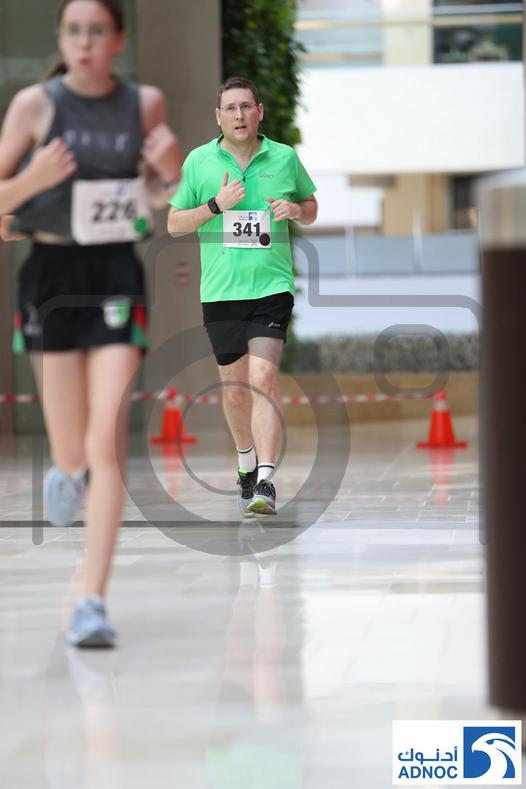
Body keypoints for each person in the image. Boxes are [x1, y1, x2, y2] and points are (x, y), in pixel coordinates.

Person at [0, 0, 182, 647]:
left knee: (105, 442)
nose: (84, 43)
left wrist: (171, 170)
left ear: (118, 40)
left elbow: (161, 198)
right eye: (73, 31)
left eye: (97, 31)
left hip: (115, 276)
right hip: (50, 279)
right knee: (73, 451)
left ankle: (92, 600)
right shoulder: (34, 106)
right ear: (61, 38)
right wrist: (34, 178)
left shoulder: (144, 104)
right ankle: (65, 470)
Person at [167, 77, 317, 517]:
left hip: (272, 288)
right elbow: (174, 224)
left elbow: (311, 207)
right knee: (234, 391)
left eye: (246, 107)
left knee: (263, 379)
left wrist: (295, 210)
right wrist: (216, 205)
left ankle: (266, 480)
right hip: (221, 292)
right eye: (230, 108)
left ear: (259, 112)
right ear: (218, 117)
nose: (239, 115)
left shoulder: (284, 157)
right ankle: (246, 463)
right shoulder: (199, 162)